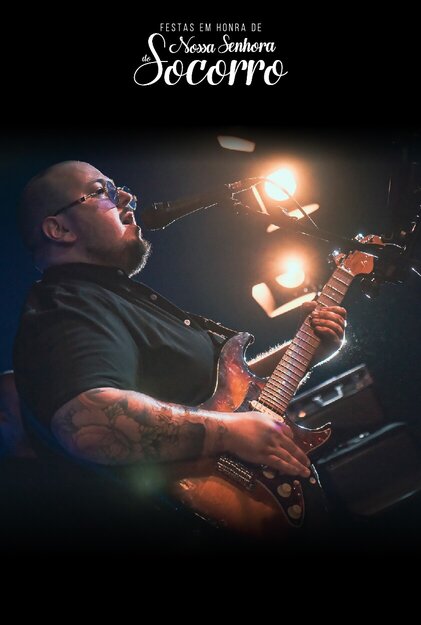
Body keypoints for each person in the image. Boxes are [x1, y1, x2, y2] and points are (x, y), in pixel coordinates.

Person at [13, 160, 346, 548]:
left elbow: (227, 399)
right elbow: (88, 422)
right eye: (102, 190)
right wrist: (230, 433)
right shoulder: (67, 306)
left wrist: (306, 351)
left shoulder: (117, 299)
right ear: (59, 229)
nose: (127, 196)